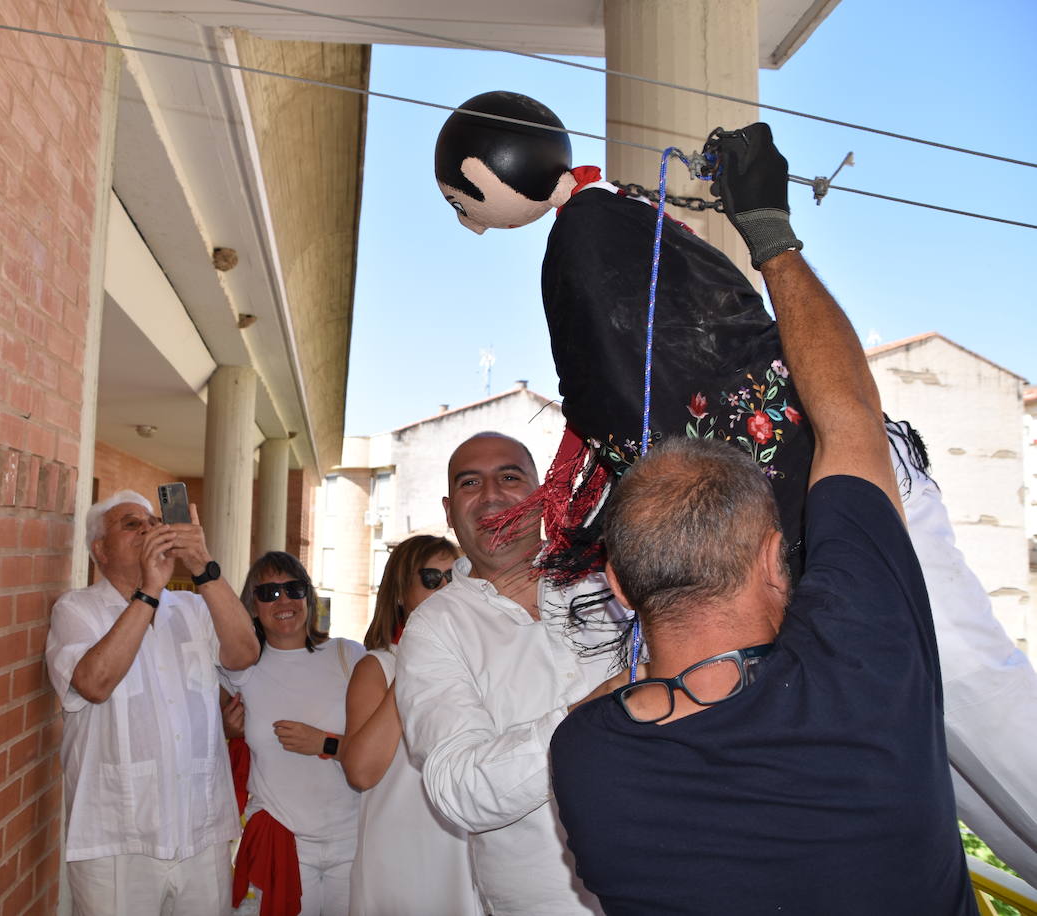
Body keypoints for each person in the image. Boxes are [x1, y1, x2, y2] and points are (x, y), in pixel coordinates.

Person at [435, 90, 1037, 882]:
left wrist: (770, 237)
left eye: (461, 199)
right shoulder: (601, 227)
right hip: (800, 513)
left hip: (823, 505)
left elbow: (675, 405)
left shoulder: (590, 238)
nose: (464, 218)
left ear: (490, 171)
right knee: (934, 739)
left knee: (969, 701)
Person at [550, 123, 979, 913]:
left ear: (613, 582)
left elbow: (613, 703)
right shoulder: (865, 662)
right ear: (779, 556)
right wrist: (771, 233)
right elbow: (849, 416)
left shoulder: (588, 761)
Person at [394, 432, 628, 915]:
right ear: (448, 508)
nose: (492, 495)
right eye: (470, 482)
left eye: (509, 477)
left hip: (673, 879)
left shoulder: (610, 581)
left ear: (541, 491)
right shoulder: (434, 628)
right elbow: (459, 788)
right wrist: (594, 712)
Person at [44, 490, 259, 916]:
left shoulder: (195, 607)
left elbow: (245, 652)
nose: (147, 529)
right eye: (130, 524)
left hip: (202, 833)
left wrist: (202, 565)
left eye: (152, 521)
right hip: (116, 842)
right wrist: (149, 591)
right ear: (99, 551)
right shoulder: (77, 609)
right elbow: (93, 683)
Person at [342, 535, 481, 916]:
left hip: (466, 852)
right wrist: (418, 662)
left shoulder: (483, 662)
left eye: (455, 577)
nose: (445, 588)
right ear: (401, 593)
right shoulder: (379, 667)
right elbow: (360, 771)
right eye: (431, 579)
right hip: (399, 858)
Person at [221, 551, 366, 916]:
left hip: (351, 842)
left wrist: (325, 743)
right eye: (268, 592)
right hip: (283, 842)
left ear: (308, 597)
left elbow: (384, 746)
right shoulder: (240, 672)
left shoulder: (349, 657)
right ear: (252, 606)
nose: (283, 600)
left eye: (293, 588)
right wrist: (225, 728)